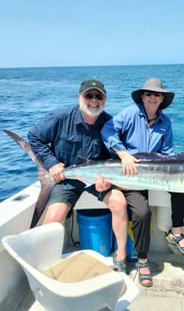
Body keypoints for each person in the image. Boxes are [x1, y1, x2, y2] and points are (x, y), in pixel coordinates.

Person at [101, 78, 184, 287]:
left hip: (154, 172)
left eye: (157, 95)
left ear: (162, 99)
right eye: (149, 94)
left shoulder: (166, 122)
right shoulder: (130, 113)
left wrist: (169, 166)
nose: (153, 98)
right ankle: (143, 259)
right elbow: (107, 131)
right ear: (142, 97)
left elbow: (167, 152)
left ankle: (176, 232)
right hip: (128, 173)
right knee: (143, 213)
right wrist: (123, 153)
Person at [28, 79, 129, 272]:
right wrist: (51, 164)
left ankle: (121, 254)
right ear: (79, 97)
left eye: (98, 96)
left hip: (96, 179)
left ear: (104, 100)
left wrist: (106, 181)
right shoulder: (60, 117)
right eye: (88, 96)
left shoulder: (109, 124)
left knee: (119, 202)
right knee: (53, 218)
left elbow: (113, 158)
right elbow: (34, 137)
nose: (93, 100)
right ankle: (46, 265)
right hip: (67, 179)